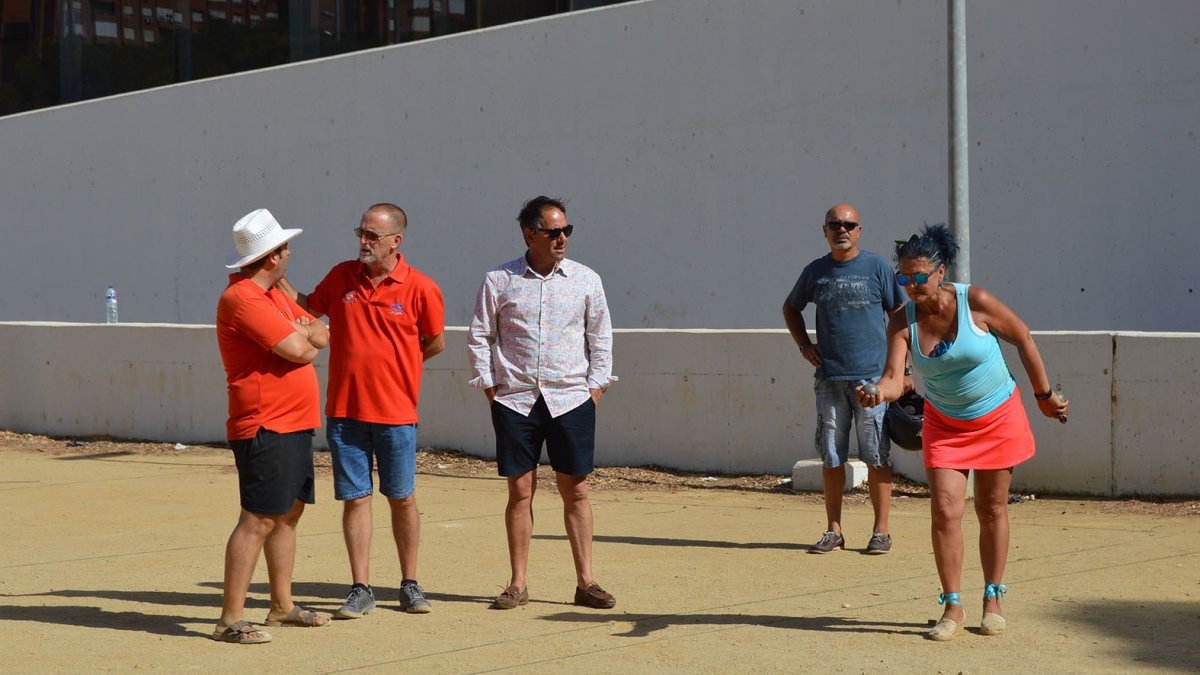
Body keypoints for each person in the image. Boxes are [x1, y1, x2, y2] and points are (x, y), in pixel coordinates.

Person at [857, 224, 1069, 641]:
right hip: (945, 424)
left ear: (941, 272)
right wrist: (877, 392)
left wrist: (1043, 395)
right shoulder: (902, 320)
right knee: (945, 510)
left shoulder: (976, 302)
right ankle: (952, 605)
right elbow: (895, 379)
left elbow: (1022, 337)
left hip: (996, 418)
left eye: (920, 277)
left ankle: (993, 597)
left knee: (991, 509)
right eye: (904, 279)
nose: (912, 286)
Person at [276, 203, 445, 618]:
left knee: (401, 498)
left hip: (397, 415)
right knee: (356, 500)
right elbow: (306, 308)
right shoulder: (340, 276)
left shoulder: (421, 287)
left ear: (396, 241)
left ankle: (409, 584)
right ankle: (361, 588)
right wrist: (273, 274)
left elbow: (435, 342)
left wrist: (399, 368)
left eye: (372, 235)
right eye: (361, 233)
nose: (364, 242)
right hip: (345, 414)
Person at [467, 195, 618, 610]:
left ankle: (586, 582)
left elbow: (600, 336)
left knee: (578, 490)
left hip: (572, 399)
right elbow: (480, 335)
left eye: (567, 230)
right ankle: (517, 584)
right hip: (515, 401)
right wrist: (490, 388)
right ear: (529, 234)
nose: (562, 238)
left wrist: (595, 389)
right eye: (553, 231)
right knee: (520, 491)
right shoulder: (499, 280)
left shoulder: (587, 279)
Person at [213, 208, 331, 644]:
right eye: (284, 248)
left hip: (293, 423)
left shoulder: (272, 294)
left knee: (288, 514)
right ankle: (230, 618)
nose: (288, 253)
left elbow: (319, 333)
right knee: (259, 518)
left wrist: (306, 333)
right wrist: (304, 336)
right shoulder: (243, 298)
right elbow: (302, 350)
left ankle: (281, 606)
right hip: (266, 424)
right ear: (272, 257)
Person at [783, 203, 909, 555]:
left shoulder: (877, 267)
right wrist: (804, 345)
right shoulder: (816, 272)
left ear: (859, 230)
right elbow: (790, 308)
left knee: (876, 455)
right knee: (831, 457)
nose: (842, 230)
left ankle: (881, 531)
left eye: (849, 225)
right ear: (824, 230)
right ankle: (834, 530)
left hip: (872, 379)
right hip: (830, 378)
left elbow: (899, 315)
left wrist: (902, 370)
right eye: (835, 224)